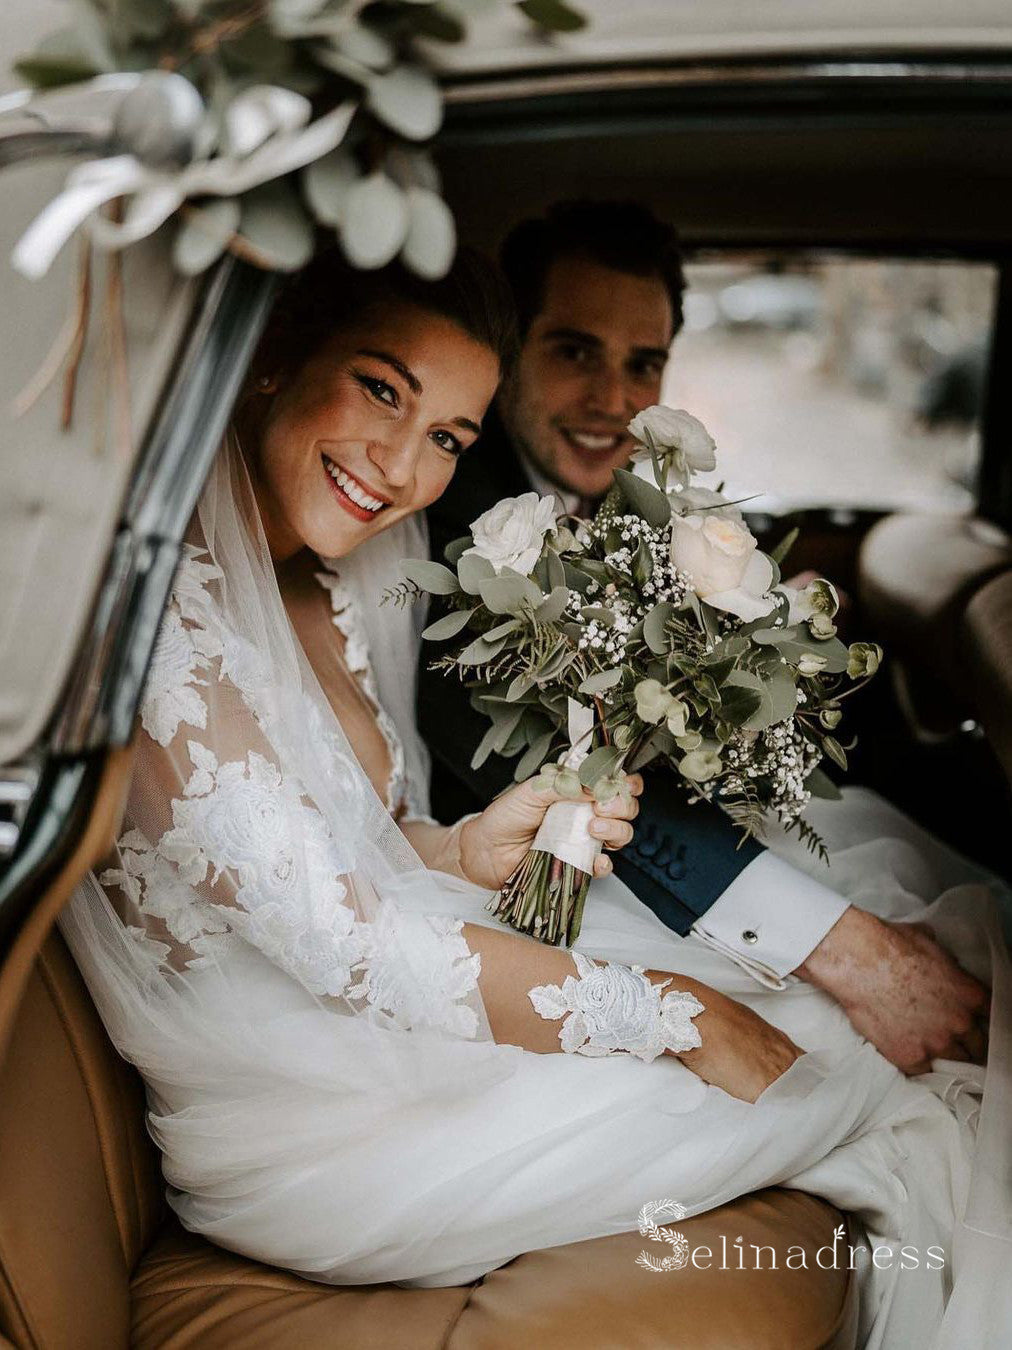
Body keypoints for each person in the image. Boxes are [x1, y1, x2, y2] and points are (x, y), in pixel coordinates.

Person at [60, 246, 1011, 1347]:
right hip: (322, 1113)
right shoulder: (154, 630)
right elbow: (357, 946)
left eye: (447, 439)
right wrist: (675, 1012)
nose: (400, 469)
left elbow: (367, 839)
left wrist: (466, 845)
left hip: (400, 1008)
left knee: (910, 984)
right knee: (869, 1055)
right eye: (381, 390)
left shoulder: (351, 563)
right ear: (274, 358)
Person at [421, 200, 991, 1075]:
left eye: (643, 363)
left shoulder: (632, 502)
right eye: (574, 351)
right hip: (531, 881)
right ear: (509, 349)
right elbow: (539, 771)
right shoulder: (457, 523)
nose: (613, 400)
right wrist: (846, 949)